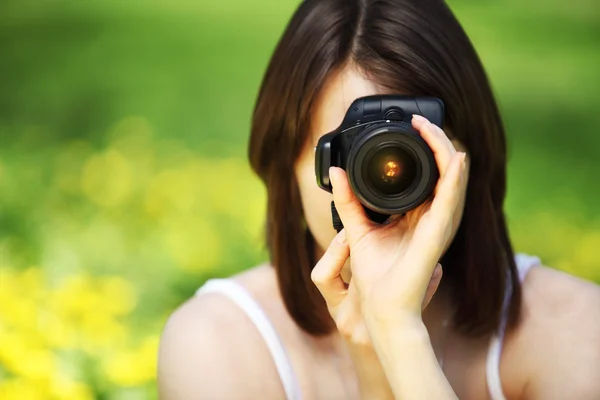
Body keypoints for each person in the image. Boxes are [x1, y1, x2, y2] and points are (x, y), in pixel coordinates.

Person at [157, 0, 600, 398]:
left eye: (415, 152)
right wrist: (377, 348)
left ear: (468, 158)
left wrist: (397, 335)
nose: (387, 180)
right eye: (353, 152)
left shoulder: (575, 330)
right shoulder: (219, 346)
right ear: (285, 165)